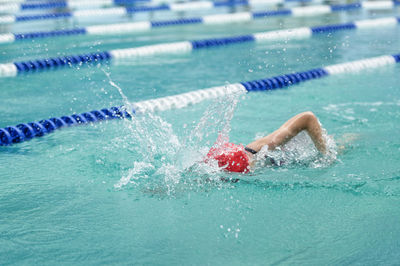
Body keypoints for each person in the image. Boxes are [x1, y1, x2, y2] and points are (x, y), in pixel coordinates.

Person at [206, 111, 327, 173]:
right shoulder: (255, 166)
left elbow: (308, 118)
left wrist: (326, 155)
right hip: (297, 158)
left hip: (310, 141)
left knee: (342, 146)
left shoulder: (263, 147)